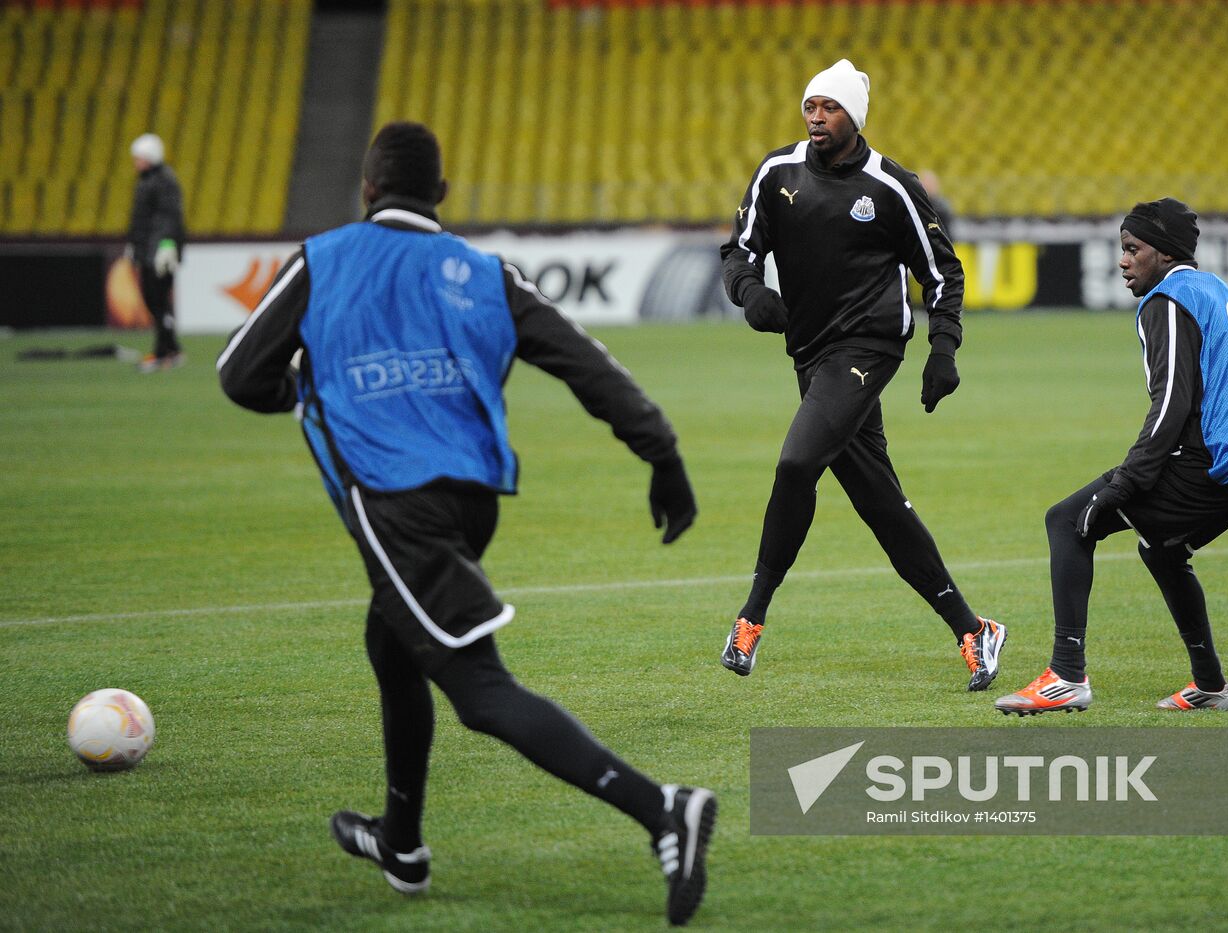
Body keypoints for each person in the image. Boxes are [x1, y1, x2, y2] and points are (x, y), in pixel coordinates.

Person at [217, 122, 714, 926]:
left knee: (480, 690)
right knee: (392, 643)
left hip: (394, 497)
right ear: (442, 195)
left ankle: (664, 810)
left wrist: (310, 390)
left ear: (367, 189)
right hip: (472, 496)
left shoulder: (324, 258)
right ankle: (401, 842)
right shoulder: (484, 272)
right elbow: (586, 362)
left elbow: (239, 374)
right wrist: (662, 453)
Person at [717, 59, 1005, 691]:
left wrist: (943, 348)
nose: (817, 118)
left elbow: (942, 272)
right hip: (812, 354)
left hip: (869, 348)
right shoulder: (777, 172)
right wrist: (749, 293)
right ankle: (972, 628)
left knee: (796, 464)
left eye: (831, 108)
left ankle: (750, 617)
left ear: (855, 116)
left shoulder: (890, 187)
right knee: (880, 505)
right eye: (810, 107)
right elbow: (738, 249)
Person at [995, 198, 1228, 716]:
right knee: (1163, 549)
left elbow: (1171, 401)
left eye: (1133, 249)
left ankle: (1065, 675)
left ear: (1165, 253)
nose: (1123, 260)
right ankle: (1212, 687)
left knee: (1068, 521)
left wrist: (1126, 482)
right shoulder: (1215, 291)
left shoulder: (1168, 300)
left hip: (1213, 459)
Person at [126, 133, 185, 372]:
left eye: (138, 157)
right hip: (149, 250)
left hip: (158, 252)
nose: (136, 162)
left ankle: (163, 352)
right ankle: (172, 349)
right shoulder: (149, 180)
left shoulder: (162, 181)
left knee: (157, 301)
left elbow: (169, 217)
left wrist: (167, 245)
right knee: (155, 302)